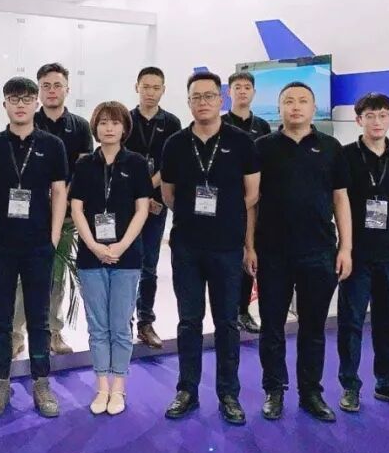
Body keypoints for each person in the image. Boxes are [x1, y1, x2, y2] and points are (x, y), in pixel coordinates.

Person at [248, 82, 352, 423]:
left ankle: (311, 392)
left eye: (303, 101)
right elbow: (251, 202)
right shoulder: (262, 147)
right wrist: (249, 246)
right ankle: (274, 390)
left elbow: (341, 199)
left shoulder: (331, 147)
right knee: (272, 327)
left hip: (319, 251)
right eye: (289, 101)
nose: (295, 106)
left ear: (313, 108)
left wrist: (346, 247)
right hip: (272, 253)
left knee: (313, 327)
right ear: (279, 108)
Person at [161, 71, 259, 424]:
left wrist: (230, 221)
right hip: (187, 246)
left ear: (221, 99)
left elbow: (252, 194)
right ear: (188, 102)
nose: (202, 102)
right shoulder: (174, 144)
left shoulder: (242, 142)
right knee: (189, 322)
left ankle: (228, 394)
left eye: (209, 96)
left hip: (227, 247)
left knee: (227, 323)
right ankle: (186, 390)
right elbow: (168, 195)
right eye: (196, 97)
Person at [0, 77, 69, 418]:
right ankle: (0, 381)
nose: (20, 105)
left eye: (27, 99)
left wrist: (53, 238)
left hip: (38, 245)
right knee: (0, 319)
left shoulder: (52, 145)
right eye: (14, 99)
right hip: (0, 245)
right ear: (5, 104)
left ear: (36, 103)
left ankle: (41, 382)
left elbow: (59, 192)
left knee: (39, 319)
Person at [336, 93, 389, 414]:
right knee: (351, 322)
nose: (377, 122)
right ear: (359, 120)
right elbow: (339, 201)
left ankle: (387, 382)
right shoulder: (345, 156)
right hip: (357, 253)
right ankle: (350, 385)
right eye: (370, 116)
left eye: (383, 115)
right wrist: (344, 248)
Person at [69, 101, 151, 416]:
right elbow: (76, 208)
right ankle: (101, 386)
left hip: (126, 257)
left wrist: (120, 246)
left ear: (124, 128)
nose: (109, 128)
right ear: (95, 127)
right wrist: (93, 245)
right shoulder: (85, 164)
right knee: (98, 327)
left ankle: (119, 387)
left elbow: (142, 209)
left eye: (115, 122)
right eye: (103, 122)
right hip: (91, 257)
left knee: (120, 326)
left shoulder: (137, 163)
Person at [12, 63, 93, 357]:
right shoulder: (27, 121)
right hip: (29, 215)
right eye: (45, 86)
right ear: (38, 91)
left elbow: (83, 169)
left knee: (57, 276)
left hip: (66, 216)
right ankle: (16, 333)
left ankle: (53, 332)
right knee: (22, 276)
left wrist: (63, 198)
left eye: (57, 85)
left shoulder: (80, 127)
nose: (51, 91)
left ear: (67, 89)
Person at [124, 67, 181, 350]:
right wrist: (139, 194)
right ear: (137, 87)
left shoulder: (171, 123)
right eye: (145, 86)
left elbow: (170, 163)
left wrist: (148, 191)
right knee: (124, 264)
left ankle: (145, 322)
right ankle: (123, 321)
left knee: (149, 266)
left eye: (156, 87)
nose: (150, 92)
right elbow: (118, 159)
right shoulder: (125, 119)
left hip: (157, 205)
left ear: (163, 90)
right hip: (126, 203)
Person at [222, 71, 272, 334]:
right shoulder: (219, 124)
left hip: (255, 201)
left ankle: (243, 310)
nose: (242, 91)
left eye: (247, 87)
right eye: (237, 87)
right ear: (228, 92)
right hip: (225, 203)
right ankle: (226, 312)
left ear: (253, 92)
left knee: (251, 256)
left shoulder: (262, 127)